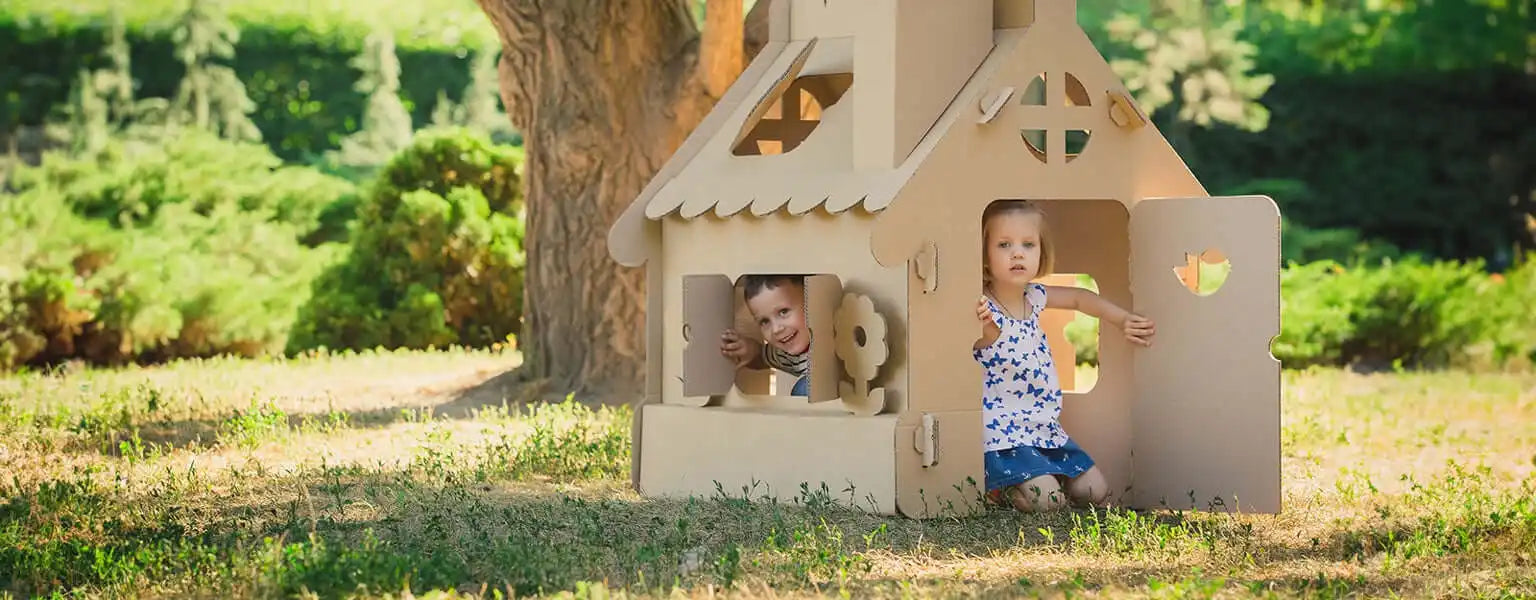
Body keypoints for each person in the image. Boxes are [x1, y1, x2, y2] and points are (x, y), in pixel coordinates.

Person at [974, 200, 1156, 512]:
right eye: (1004, 244)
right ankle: (999, 494)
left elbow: (1078, 297)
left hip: (1044, 427)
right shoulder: (983, 307)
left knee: (1095, 491)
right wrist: (979, 321)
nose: (1018, 253)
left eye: (1028, 245)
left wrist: (1121, 319)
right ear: (984, 255)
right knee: (1050, 502)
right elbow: (974, 337)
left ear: (1041, 252)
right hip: (1004, 436)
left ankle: (1038, 482)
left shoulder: (1035, 297)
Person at [719, 274, 812, 396]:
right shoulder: (785, 354)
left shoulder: (832, 337)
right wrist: (750, 350)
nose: (776, 329)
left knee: (805, 387)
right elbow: (764, 357)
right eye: (765, 321)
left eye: (783, 312)